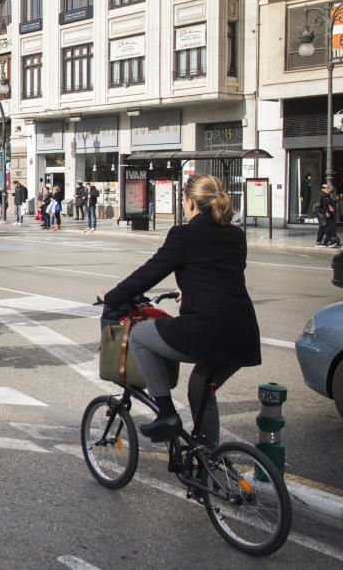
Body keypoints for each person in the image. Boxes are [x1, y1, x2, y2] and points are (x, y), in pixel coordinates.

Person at [102, 175, 259, 446]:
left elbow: (149, 274)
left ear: (189, 203)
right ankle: (208, 461)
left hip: (206, 330)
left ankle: (166, 413)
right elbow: (223, 274)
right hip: (242, 333)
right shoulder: (236, 235)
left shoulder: (184, 235)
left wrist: (113, 297)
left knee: (139, 336)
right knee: (201, 389)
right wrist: (190, 290)